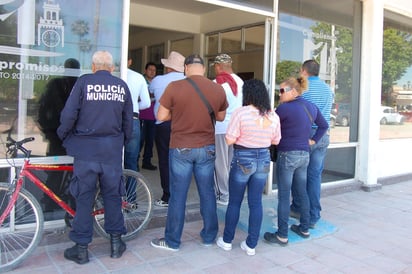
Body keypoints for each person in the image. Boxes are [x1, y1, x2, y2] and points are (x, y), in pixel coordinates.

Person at [57, 50, 133, 264]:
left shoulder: (84, 83)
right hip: (111, 152)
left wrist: (63, 135)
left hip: (86, 151)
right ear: (111, 68)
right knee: (113, 197)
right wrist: (121, 142)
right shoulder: (121, 86)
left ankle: (81, 249)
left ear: (92, 67)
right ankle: (116, 244)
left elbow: (69, 114)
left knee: (84, 198)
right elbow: (128, 121)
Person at [151, 54, 228, 251]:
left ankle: (172, 241)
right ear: (203, 68)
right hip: (207, 148)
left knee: (178, 195)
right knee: (207, 193)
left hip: (181, 147)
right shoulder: (217, 88)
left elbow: (161, 115)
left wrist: (178, 113)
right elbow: (220, 117)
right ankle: (209, 236)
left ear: (186, 68)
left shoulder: (175, 87)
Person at [216, 79, 281, 256]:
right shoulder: (273, 115)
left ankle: (227, 240)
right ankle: (251, 244)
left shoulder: (241, 113)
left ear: (248, 94)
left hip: (243, 158)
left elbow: (229, 140)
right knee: (255, 203)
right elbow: (276, 140)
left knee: (235, 202)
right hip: (264, 160)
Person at [264, 77, 328, 246]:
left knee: (284, 196)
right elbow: (324, 125)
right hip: (304, 155)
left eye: (282, 90)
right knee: (302, 192)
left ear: (293, 91)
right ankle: (304, 228)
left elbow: (269, 126)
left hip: (287, 155)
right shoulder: (311, 106)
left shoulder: (284, 109)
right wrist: (313, 140)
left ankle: (282, 235)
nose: (280, 93)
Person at [290, 60, 334, 228]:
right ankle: (314, 215)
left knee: (298, 173)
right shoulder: (328, 90)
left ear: (304, 71)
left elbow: (296, 111)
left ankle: (298, 208)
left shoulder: (303, 88)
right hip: (323, 135)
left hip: (306, 135)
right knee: (314, 176)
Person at [37, 58, 80, 212]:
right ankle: (50, 200)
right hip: (56, 132)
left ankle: (69, 202)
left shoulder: (79, 84)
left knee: (75, 170)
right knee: (56, 169)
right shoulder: (56, 84)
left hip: (74, 135)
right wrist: (46, 128)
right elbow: (43, 106)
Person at [150, 51, 186, 207]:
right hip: (184, 125)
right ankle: (180, 195)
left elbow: (150, 92)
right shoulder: (189, 81)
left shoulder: (158, 80)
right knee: (183, 160)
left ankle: (167, 196)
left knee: (164, 160)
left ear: (168, 67)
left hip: (163, 125)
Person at [212, 53, 244, 206]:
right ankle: (230, 192)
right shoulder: (241, 82)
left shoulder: (217, 83)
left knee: (220, 163)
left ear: (218, 66)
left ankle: (222, 195)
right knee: (230, 163)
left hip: (220, 127)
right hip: (236, 128)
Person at [124, 56, 151, 174]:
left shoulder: (112, 75)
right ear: (130, 61)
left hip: (113, 118)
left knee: (111, 159)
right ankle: (131, 192)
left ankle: (111, 191)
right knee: (131, 160)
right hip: (133, 119)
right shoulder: (138, 77)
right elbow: (146, 103)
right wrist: (133, 107)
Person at [139, 62, 157, 170]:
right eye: (150, 69)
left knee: (150, 141)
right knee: (140, 140)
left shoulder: (157, 82)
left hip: (153, 115)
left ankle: (147, 161)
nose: (152, 72)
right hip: (142, 115)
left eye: (154, 70)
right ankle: (135, 160)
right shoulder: (141, 80)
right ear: (145, 70)